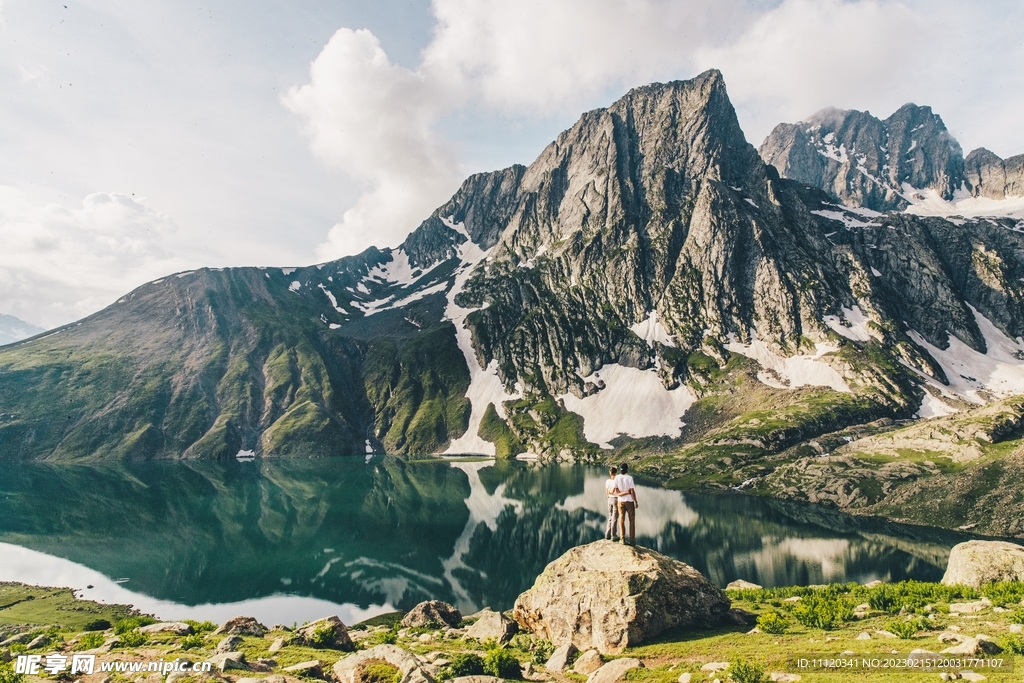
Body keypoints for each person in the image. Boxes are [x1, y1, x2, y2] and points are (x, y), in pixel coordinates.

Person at [614, 462, 638, 546]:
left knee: (621, 519)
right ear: (627, 469)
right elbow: (632, 491)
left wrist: (623, 493)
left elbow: (617, 492)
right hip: (629, 501)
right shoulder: (630, 478)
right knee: (631, 520)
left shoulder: (616, 477)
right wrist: (635, 501)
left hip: (620, 501)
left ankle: (622, 538)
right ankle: (632, 540)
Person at [604, 466, 620, 541]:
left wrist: (609, 494)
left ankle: (607, 534)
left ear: (610, 472)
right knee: (615, 517)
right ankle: (613, 535)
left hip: (609, 499)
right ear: (616, 472)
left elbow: (606, 492)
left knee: (610, 516)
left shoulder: (607, 481)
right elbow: (615, 491)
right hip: (616, 499)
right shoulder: (617, 481)